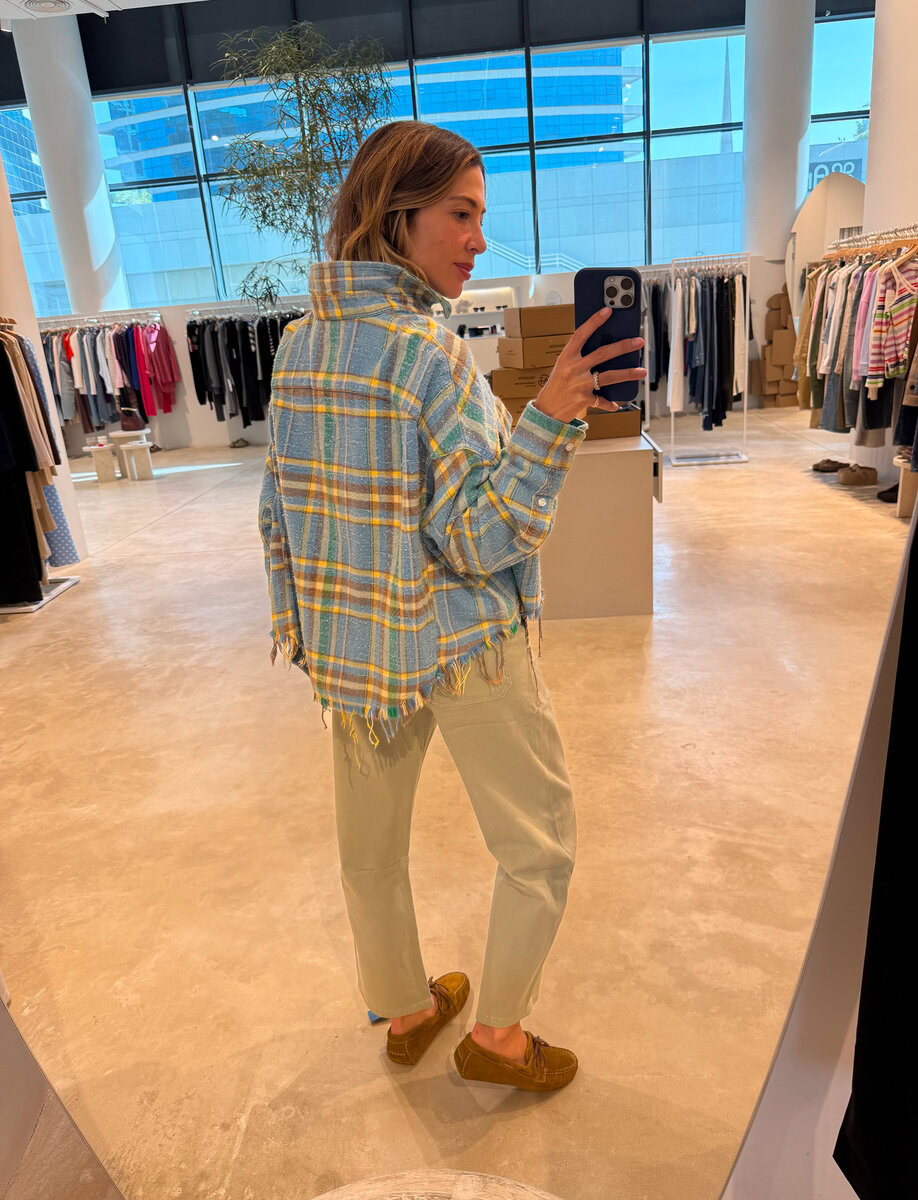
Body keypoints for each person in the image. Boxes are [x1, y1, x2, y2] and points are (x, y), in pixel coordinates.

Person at [259, 120, 646, 1091]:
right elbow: (480, 538)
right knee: (538, 846)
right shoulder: (429, 354)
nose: (477, 241)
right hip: (465, 642)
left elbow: (278, 512)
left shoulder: (298, 345)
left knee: (370, 851)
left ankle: (405, 1008)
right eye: (461, 215)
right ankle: (498, 1039)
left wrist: (310, 630)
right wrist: (550, 420)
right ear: (397, 215)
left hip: (358, 649)